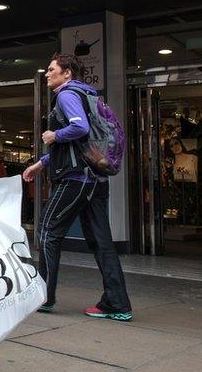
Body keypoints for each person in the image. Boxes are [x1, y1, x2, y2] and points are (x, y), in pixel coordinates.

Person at [23, 54, 132, 321]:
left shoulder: (66, 95)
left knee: (48, 232)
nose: (47, 74)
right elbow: (81, 147)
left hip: (74, 179)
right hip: (95, 178)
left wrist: (54, 135)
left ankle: (44, 296)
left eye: (51, 70)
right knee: (101, 241)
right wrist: (43, 162)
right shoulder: (87, 95)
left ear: (67, 73)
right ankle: (117, 302)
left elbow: (80, 129)